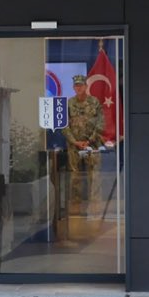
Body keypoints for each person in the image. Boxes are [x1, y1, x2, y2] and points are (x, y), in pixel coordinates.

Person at [65, 74, 104, 217]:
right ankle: (76, 207)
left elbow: (101, 123)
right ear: (73, 87)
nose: (78, 88)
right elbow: (64, 125)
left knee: (94, 176)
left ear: (86, 87)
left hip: (92, 145)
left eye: (81, 85)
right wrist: (74, 141)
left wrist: (90, 140)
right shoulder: (68, 104)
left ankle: (95, 207)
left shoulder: (94, 102)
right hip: (74, 146)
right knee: (75, 176)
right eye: (76, 85)